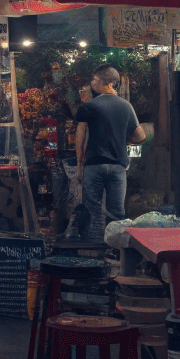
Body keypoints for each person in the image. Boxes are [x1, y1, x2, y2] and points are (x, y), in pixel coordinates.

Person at [74, 65, 144, 242]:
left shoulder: (88, 106)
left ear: (106, 82)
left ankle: (94, 246)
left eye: (94, 80)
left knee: (92, 208)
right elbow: (140, 135)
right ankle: (115, 249)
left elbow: (80, 136)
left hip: (94, 165)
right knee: (117, 211)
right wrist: (123, 140)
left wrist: (79, 162)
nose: (91, 83)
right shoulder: (126, 106)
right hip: (118, 166)